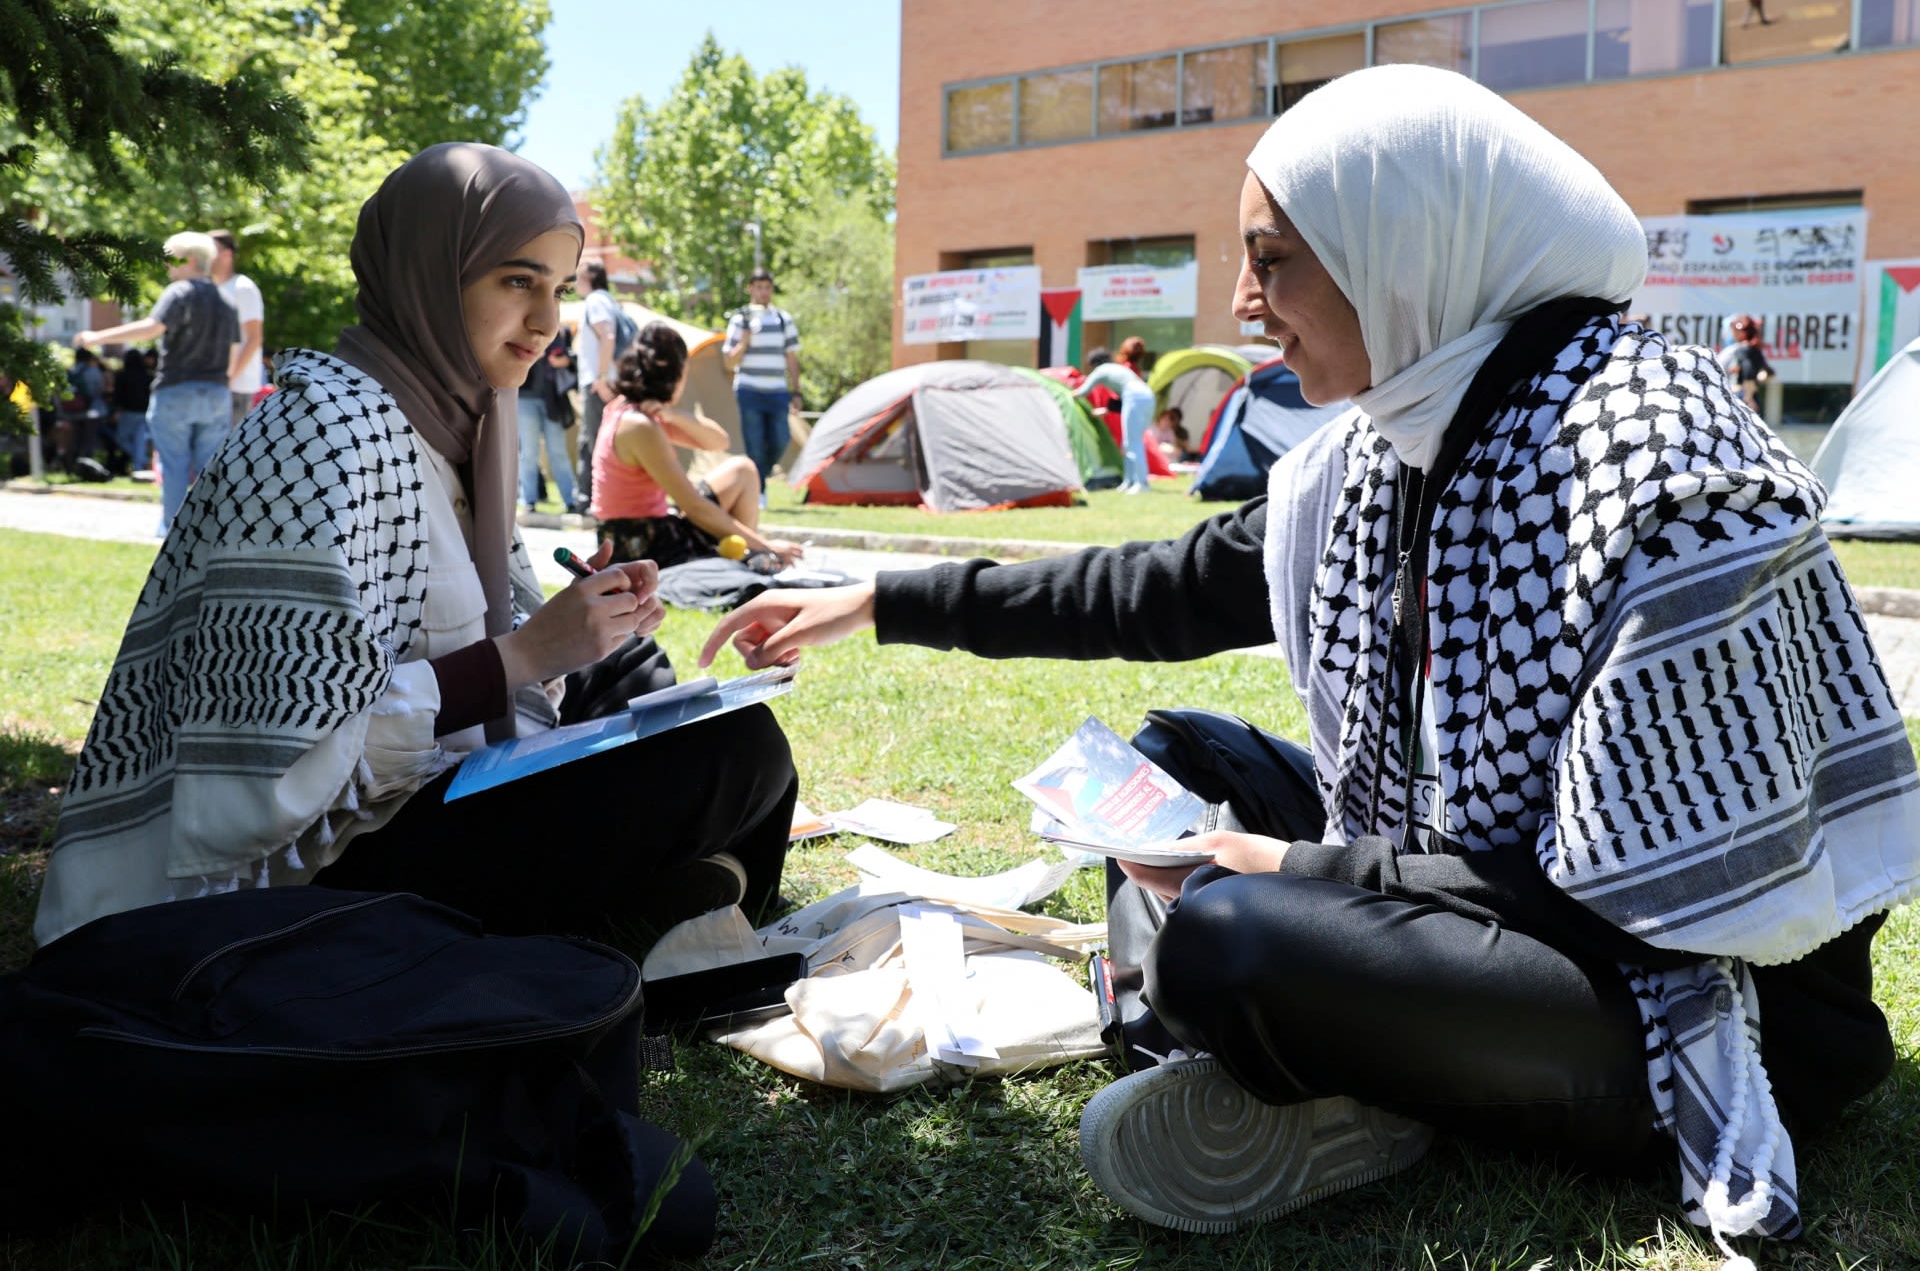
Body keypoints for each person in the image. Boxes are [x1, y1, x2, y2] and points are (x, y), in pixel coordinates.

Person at [695, 66, 1920, 1262]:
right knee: (1172, 762)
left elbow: (1639, 904)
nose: (1240, 303)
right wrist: (882, 598)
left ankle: (1308, 1057)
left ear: (1404, 249)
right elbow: (1165, 588)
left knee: (1233, 938)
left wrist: (1304, 864)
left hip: (1698, 995)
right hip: (1492, 887)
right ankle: (1324, 1064)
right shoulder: (1404, 436)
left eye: (1274, 260)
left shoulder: (1663, 469)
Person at [37, 143, 799, 968]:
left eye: (556, 288)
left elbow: (480, 642)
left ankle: (666, 884)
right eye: (517, 281)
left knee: (650, 679)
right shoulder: (320, 435)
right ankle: (668, 887)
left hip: (420, 777)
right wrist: (526, 654)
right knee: (732, 758)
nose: (546, 322)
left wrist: (575, 633)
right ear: (432, 275)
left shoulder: (465, 421)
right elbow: (275, 783)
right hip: (303, 873)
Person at [592, 320, 804, 571]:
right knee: (732, 514)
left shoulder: (629, 410)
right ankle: (749, 560)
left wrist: (673, 414)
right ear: (676, 375)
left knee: (743, 470)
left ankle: (744, 558)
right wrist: (765, 545)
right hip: (638, 543)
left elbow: (719, 441)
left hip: (644, 530)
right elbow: (693, 505)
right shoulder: (639, 426)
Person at [76, 231, 239, 536]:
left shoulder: (179, 293)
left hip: (177, 390)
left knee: (174, 465)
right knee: (209, 470)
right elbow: (233, 354)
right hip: (217, 393)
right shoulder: (226, 300)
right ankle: (208, 536)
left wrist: (97, 337)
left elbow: (152, 328)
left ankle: (172, 534)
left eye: (170, 257)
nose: (166, 265)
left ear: (189, 259)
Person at [722, 269, 801, 490]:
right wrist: (744, 342)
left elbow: (792, 359)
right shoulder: (740, 319)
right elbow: (728, 362)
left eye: (767, 287)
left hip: (776, 390)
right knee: (754, 444)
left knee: (781, 440)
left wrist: (796, 391)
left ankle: (760, 477)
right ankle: (759, 490)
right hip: (749, 390)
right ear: (751, 289)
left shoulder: (783, 320)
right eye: (759, 287)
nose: (764, 292)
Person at [571, 256, 624, 514]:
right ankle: (584, 499)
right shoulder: (610, 301)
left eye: (578, 276)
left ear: (589, 278)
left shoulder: (596, 301)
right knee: (588, 441)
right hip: (602, 382)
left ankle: (597, 501)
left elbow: (608, 336)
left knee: (597, 442)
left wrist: (601, 377)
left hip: (599, 384)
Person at [1076, 346, 1155, 492]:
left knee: (1133, 443)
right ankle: (1129, 481)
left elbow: (1083, 391)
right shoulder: (1118, 369)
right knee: (1130, 442)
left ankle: (1142, 483)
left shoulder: (1101, 370)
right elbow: (1122, 399)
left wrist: (1066, 394)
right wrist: (1106, 410)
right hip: (1147, 395)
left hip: (1133, 396)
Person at [210, 229, 266, 429]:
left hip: (235, 387)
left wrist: (228, 378)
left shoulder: (243, 288)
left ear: (227, 254)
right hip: (214, 385)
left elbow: (254, 339)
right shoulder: (212, 289)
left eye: (211, 250)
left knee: (226, 452)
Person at [516, 331, 577, 511]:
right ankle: (528, 500)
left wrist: (561, 360)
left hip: (553, 401)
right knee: (528, 452)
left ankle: (571, 500)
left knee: (558, 452)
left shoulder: (560, 333)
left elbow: (570, 361)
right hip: (526, 398)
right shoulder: (523, 328)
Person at [110, 347, 152, 476]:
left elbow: (118, 395)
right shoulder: (148, 376)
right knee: (139, 441)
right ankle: (140, 465)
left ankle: (141, 464)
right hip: (144, 412)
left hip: (128, 412)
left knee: (121, 439)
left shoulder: (122, 375)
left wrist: (116, 410)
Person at [1729, 314, 1775, 413]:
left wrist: (1748, 397)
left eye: (1734, 332)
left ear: (1742, 332)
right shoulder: (1755, 350)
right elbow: (1769, 372)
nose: (1733, 334)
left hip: (1742, 395)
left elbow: (1748, 370)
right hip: (1753, 394)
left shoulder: (1742, 349)